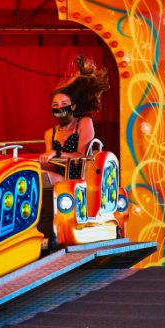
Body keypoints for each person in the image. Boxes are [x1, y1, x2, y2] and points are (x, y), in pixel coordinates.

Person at [36, 55, 110, 244]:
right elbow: (52, 167)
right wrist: (44, 163)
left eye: (63, 105)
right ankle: (41, 227)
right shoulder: (50, 133)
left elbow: (81, 154)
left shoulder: (84, 123)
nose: (59, 108)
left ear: (73, 106)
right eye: (55, 105)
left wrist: (57, 154)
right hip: (60, 177)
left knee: (50, 180)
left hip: (81, 177)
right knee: (34, 176)